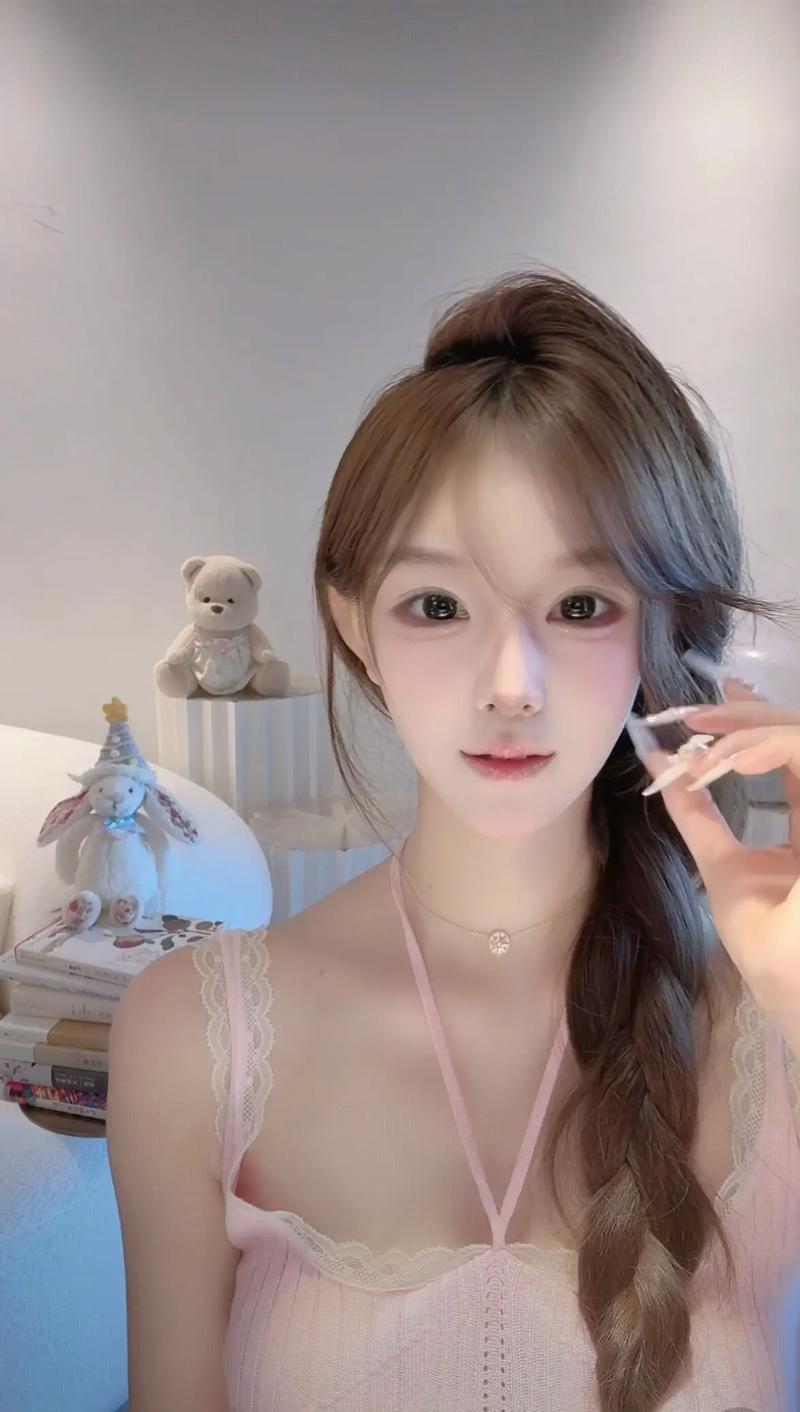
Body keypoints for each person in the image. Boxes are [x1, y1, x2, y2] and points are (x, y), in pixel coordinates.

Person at [106, 268, 800, 1412]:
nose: (508, 683)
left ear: (662, 625)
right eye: (436, 605)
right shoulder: (193, 1037)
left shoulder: (768, 1024)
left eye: (579, 605)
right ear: (355, 627)